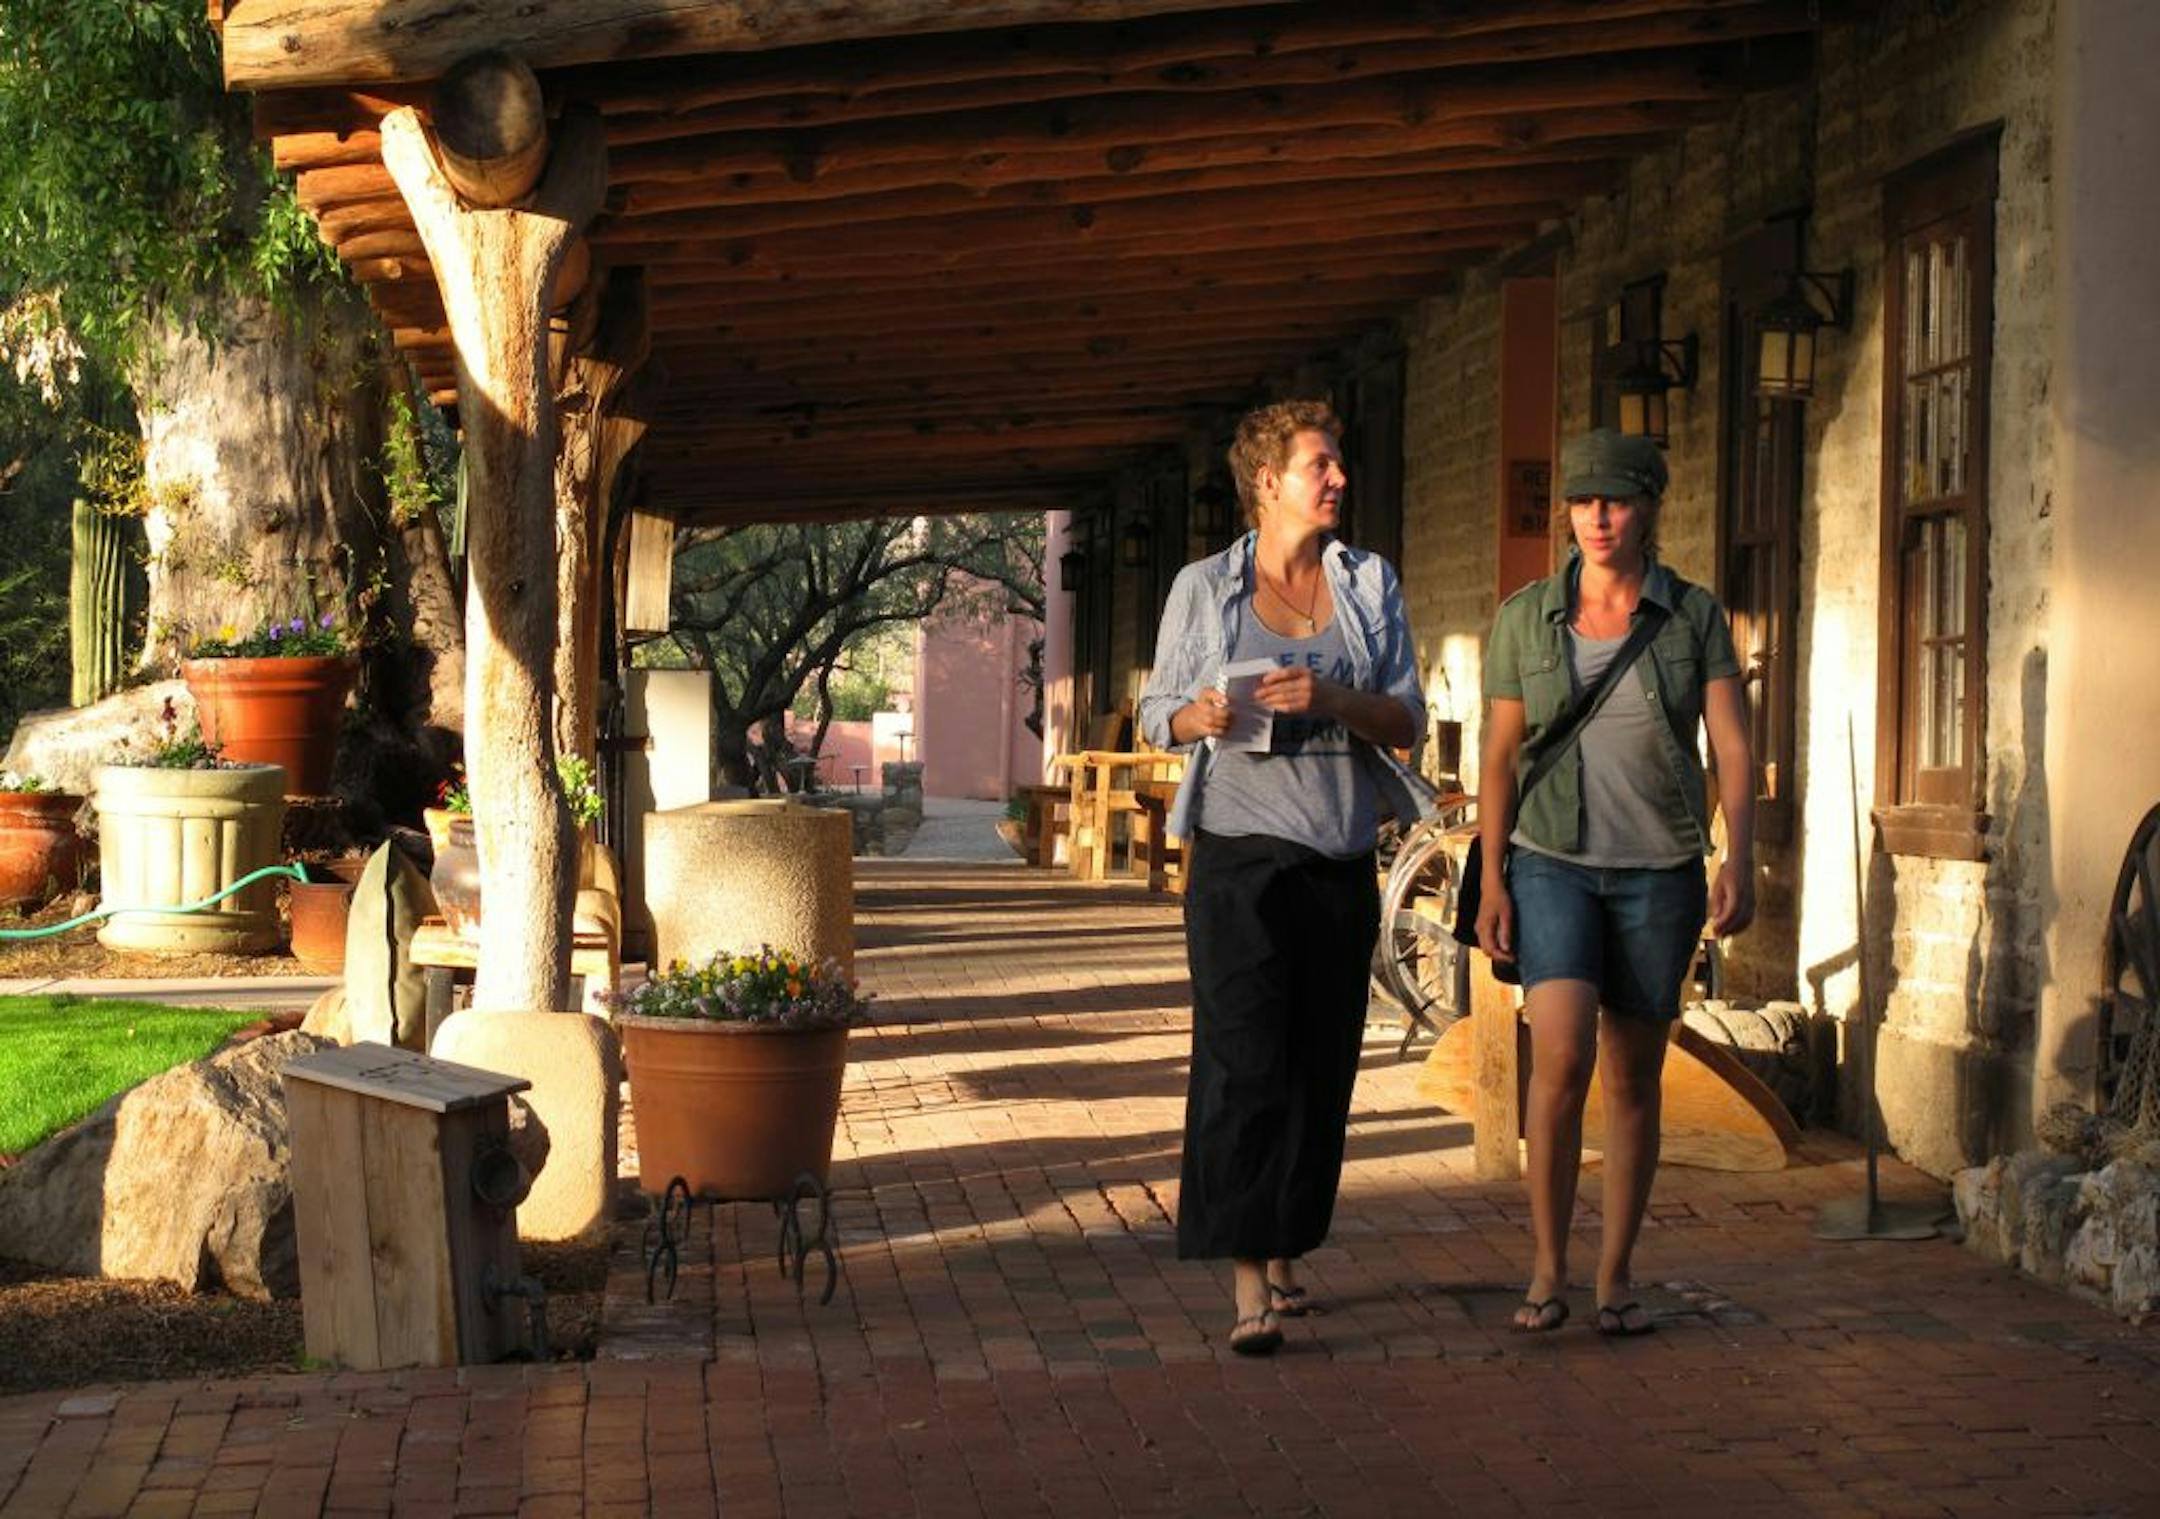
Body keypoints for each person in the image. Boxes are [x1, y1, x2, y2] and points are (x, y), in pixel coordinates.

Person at [1138, 398, 1429, 1356]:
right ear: (1268, 482)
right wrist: (1202, 717)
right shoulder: (1204, 587)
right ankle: (1247, 1280)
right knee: (1243, 1059)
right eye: (1320, 464)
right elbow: (1157, 711)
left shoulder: (1368, 582)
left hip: (1337, 852)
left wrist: (1334, 696)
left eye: (1338, 462)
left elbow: (1406, 719)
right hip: (1238, 855)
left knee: (1320, 1063)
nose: (1338, 477)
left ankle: (1286, 1239)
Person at [1475, 428, 1756, 1337]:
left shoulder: (1692, 616)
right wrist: (1493, 879)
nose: (1597, 518)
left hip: (1659, 869)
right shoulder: (1526, 617)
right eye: (1583, 502)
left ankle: (1617, 1273)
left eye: (1617, 501)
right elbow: (1499, 755)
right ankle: (1547, 1268)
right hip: (1551, 859)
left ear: (1648, 509)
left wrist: (1737, 855)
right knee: (1561, 1057)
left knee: (1635, 1075)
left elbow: (1733, 744)